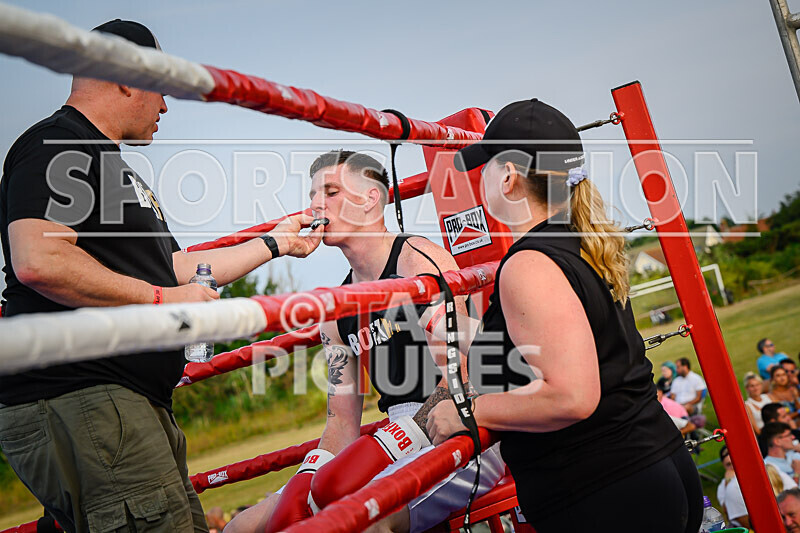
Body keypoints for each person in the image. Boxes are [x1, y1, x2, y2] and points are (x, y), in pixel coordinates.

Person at [0, 20, 322, 533]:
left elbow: (174, 270)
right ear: (126, 77)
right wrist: (161, 301)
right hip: (88, 400)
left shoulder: (109, 164)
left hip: (119, 405)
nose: (166, 106)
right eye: (161, 86)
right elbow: (40, 260)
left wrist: (276, 243)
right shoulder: (58, 144)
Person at [425, 99, 702, 532]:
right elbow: (562, 346)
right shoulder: (578, 239)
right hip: (648, 467)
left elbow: (572, 396)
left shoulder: (530, 264)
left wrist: (469, 412)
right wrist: (463, 335)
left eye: (486, 168)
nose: (480, 179)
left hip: (606, 493)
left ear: (509, 177)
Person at [225, 151, 505, 533]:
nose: (316, 205)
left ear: (371, 198)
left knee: (362, 521)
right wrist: (310, 476)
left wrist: (392, 444)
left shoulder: (417, 264)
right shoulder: (336, 311)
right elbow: (341, 422)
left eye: (331, 192)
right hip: (397, 432)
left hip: (459, 424)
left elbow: (462, 376)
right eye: (312, 195)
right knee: (242, 527)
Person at [717, 445, 795, 529]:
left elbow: (794, 492)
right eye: (729, 464)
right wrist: (728, 482)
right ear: (723, 465)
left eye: (734, 461)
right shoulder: (724, 487)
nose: (733, 467)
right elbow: (728, 513)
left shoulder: (768, 468)